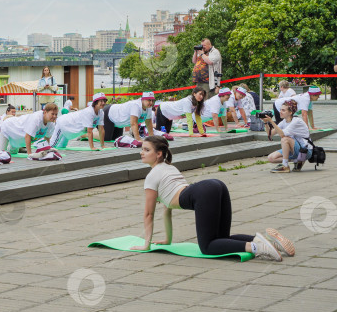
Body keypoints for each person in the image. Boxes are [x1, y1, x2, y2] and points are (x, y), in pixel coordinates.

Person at [130, 135, 293, 261]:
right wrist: (167, 240)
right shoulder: (169, 168)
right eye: (142, 149)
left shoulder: (152, 177)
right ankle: (269, 241)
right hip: (216, 186)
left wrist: (146, 244)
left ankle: (256, 247)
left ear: (158, 154)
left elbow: (148, 214)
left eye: (146, 149)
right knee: (221, 239)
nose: (141, 152)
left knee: (208, 247)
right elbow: (166, 210)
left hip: (204, 192)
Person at [262, 99, 311, 173]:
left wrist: (272, 121)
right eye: (280, 110)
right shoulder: (284, 121)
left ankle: (285, 165)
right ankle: (298, 160)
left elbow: (282, 135)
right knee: (271, 158)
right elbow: (270, 134)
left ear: (290, 112)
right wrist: (266, 123)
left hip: (305, 151)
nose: (280, 112)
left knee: (285, 139)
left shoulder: (296, 121)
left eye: (283, 110)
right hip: (295, 149)